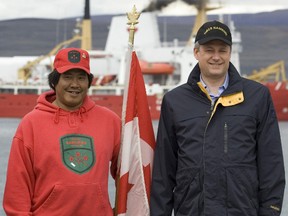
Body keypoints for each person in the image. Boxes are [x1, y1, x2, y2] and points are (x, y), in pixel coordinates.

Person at [150, 20, 285, 215]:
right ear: (197, 53)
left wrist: (271, 212)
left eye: (222, 50)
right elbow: (164, 172)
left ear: (230, 53)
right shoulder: (174, 101)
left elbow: (271, 166)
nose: (216, 57)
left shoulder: (257, 96)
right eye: (209, 50)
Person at [3, 48, 121, 215]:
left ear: (88, 82)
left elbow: (128, 173)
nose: (75, 84)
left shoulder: (110, 121)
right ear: (54, 81)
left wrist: (124, 209)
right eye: (67, 77)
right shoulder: (31, 123)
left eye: (81, 78)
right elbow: (17, 186)